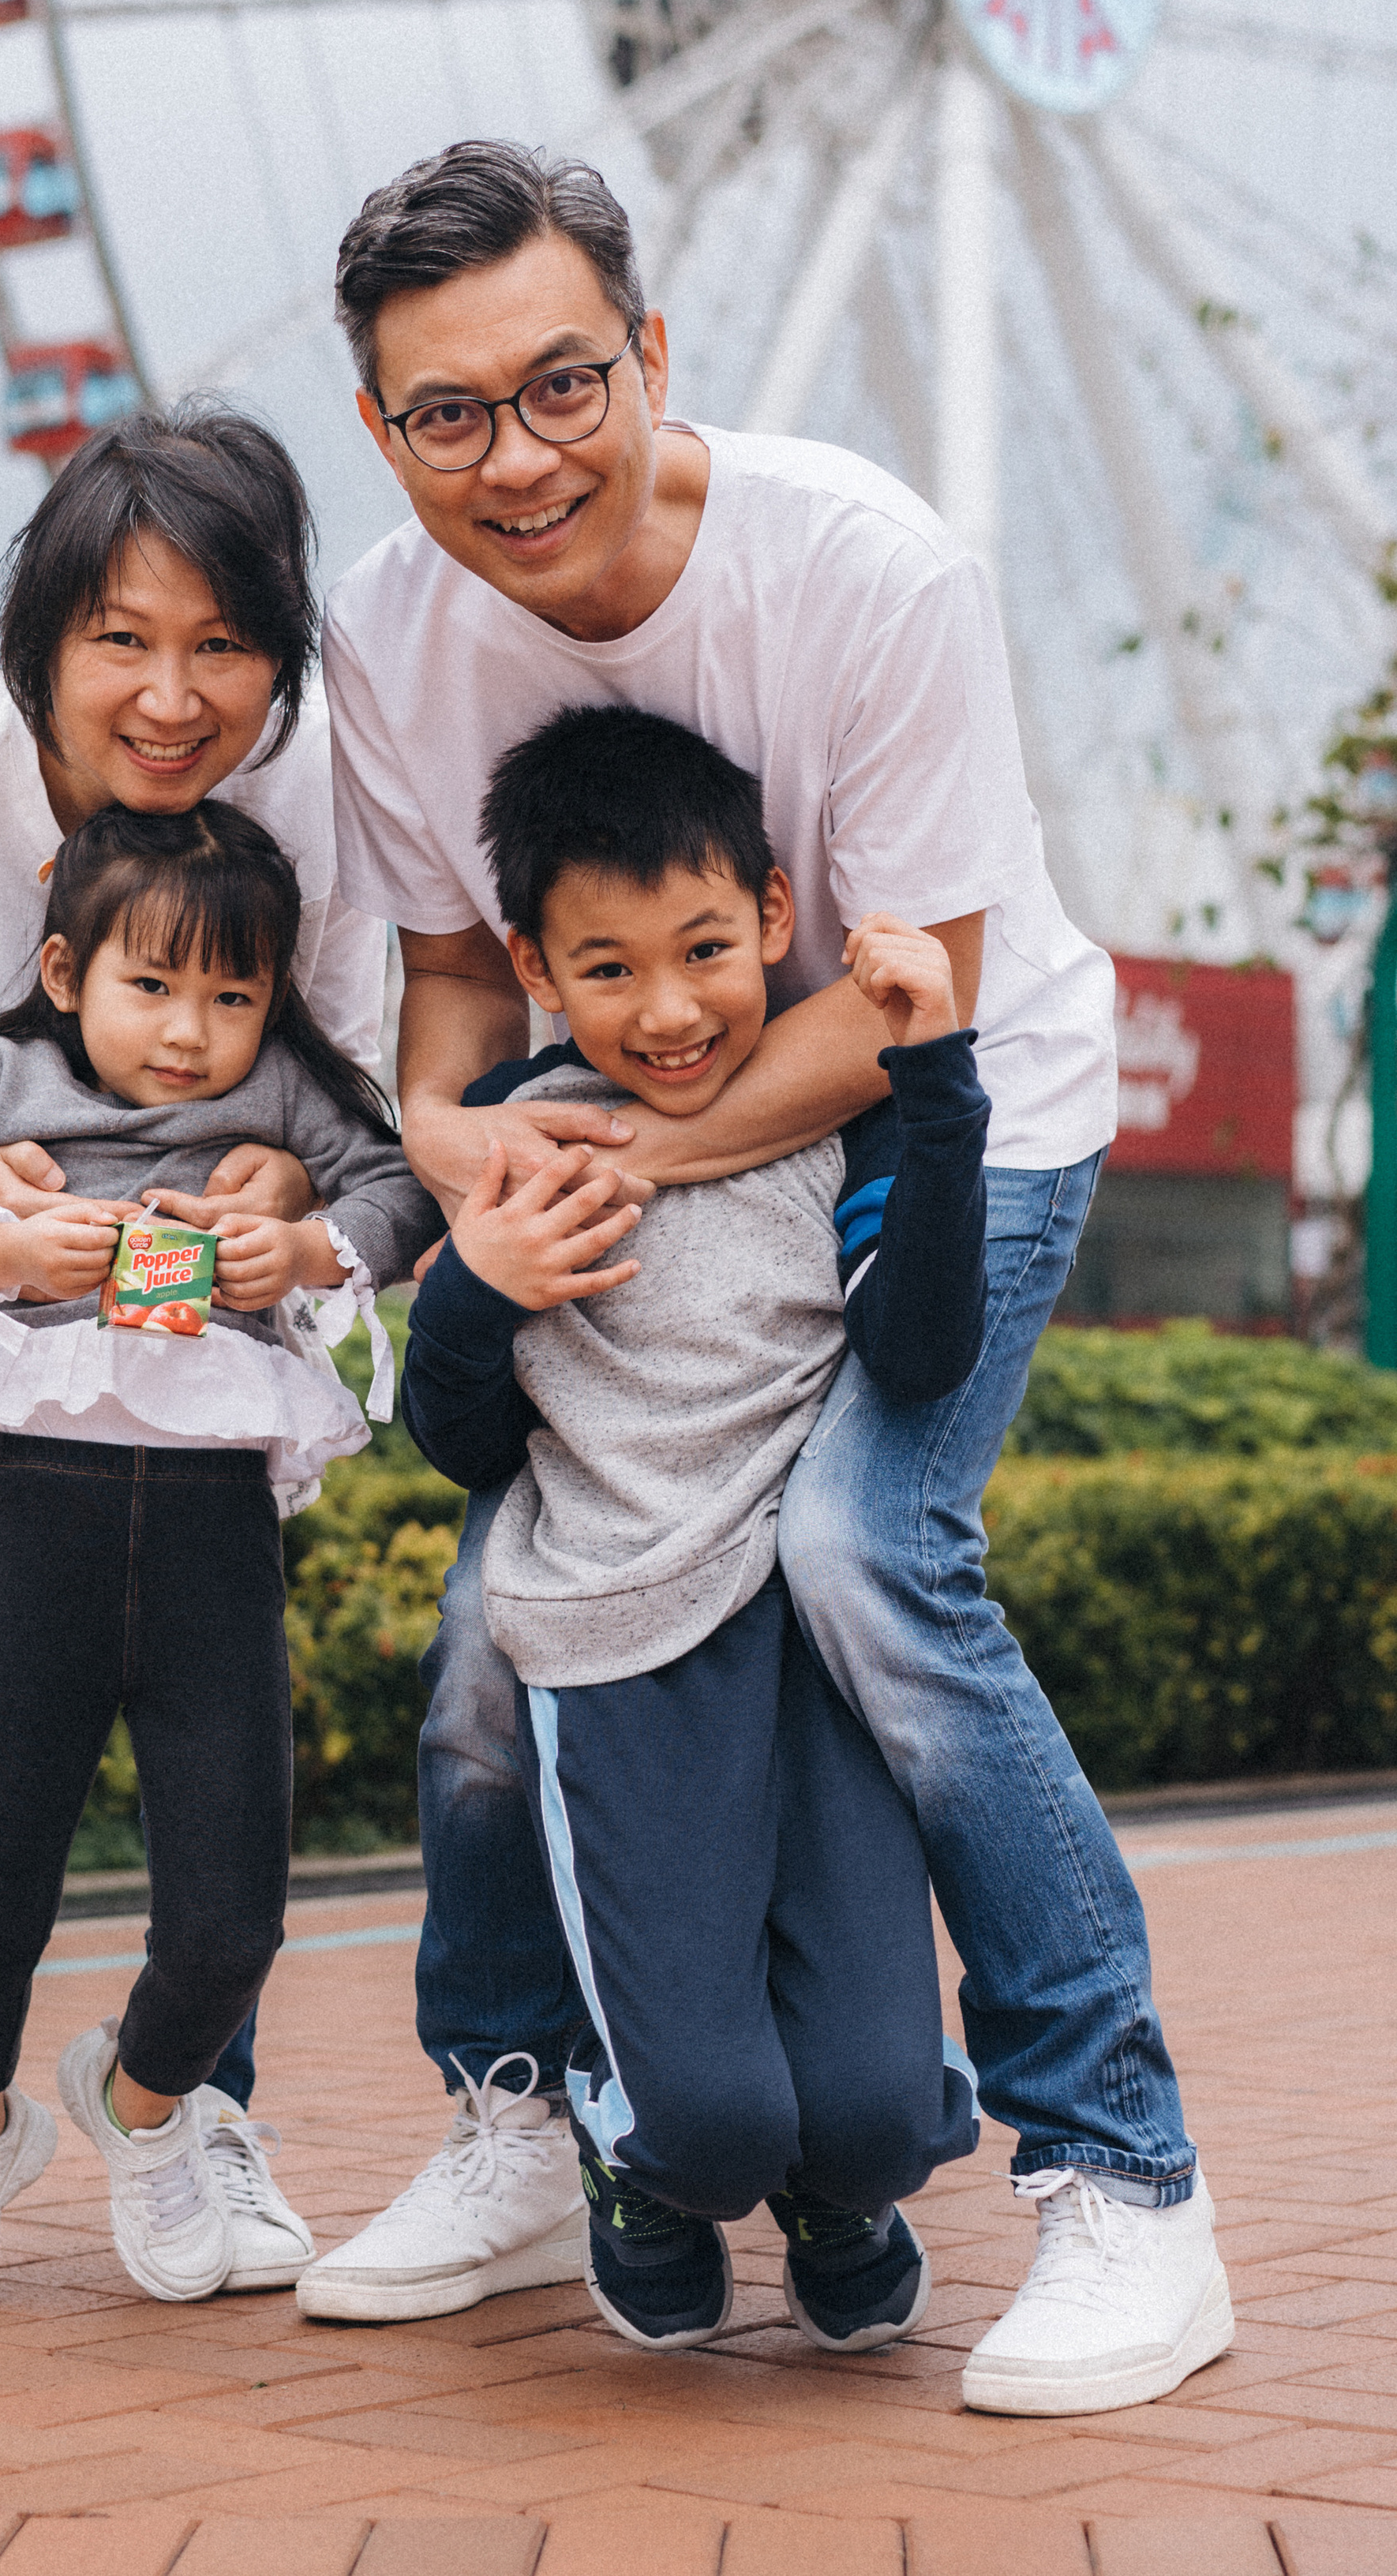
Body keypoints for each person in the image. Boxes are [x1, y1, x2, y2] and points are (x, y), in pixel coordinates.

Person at [301, 137, 1231, 2423]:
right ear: (380, 429)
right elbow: (452, 987)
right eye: (447, 414)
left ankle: (1125, 2175)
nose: (516, 458)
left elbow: (905, 1009)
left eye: (560, 385)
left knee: (859, 1553)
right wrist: (457, 1148)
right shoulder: (389, 631)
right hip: (644, 1146)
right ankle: (524, 2112)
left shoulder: (865, 571)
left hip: (947, 1111)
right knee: (492, 1627)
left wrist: (605, 1149)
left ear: (650, 354)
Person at [0, 403, 387, 2335]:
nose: (172, 698)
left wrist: (290, 1189)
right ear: (40, 643)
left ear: (281, 656)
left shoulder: (325, 790)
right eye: (121, 639)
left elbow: (356, 1088)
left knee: (216, 1717)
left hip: (197, 1346)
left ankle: (188, 2116)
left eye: (223, 645)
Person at [401, 704, 1002, 2357]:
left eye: (707, 951)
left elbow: (919, 1355)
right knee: (709, 2123)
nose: (668, 1012)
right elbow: (459, 1440)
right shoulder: (519, 1139)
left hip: (814, 1653)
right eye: (608, 969)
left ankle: (841, 2187)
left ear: (774, 919)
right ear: (535, 967)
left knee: (877, 2117)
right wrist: (473, 1290)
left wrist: (937, 1083)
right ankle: (640, 2167)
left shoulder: (836, 1112)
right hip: (618, 1656)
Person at [0, 801, 437, 2314]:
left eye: (233, 993)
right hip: (38, 1525)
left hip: (218, 1542)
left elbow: (407, 1190)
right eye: (150, 985)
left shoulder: (286, 1092)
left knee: (233, 1921)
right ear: (65, 971)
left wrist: (312, 1244)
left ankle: (142, 2104)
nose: (190, 1032)